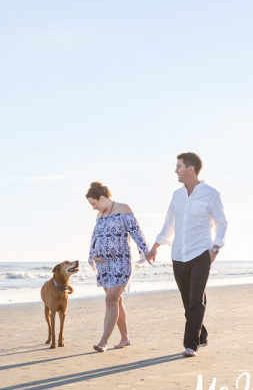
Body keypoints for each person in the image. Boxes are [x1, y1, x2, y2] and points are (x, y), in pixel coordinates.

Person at [146, 152, 228, 357]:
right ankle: (202, 334)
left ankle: (191, 344)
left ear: (190, 169)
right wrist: (156, 246)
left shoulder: (211, 194)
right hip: (178, 255)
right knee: (187, 301)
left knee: (196, 300)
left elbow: (222, 222)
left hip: (201, 253)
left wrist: (215, 248)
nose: (175, 171)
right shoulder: (177, 195)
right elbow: (169, 224)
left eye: (179, 167)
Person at [86, 181, 150, 352]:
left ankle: (103, 342)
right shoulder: (100, 215)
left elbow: (136, 232)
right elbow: (95, 237)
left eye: (94, 204)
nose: (93, 208)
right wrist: (93, 255)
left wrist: (146, 251)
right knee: (117, 302)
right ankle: (125, 338)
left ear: (102, 198)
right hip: (104, 266)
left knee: (110, 301)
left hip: (121, 263)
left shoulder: (123, 209)